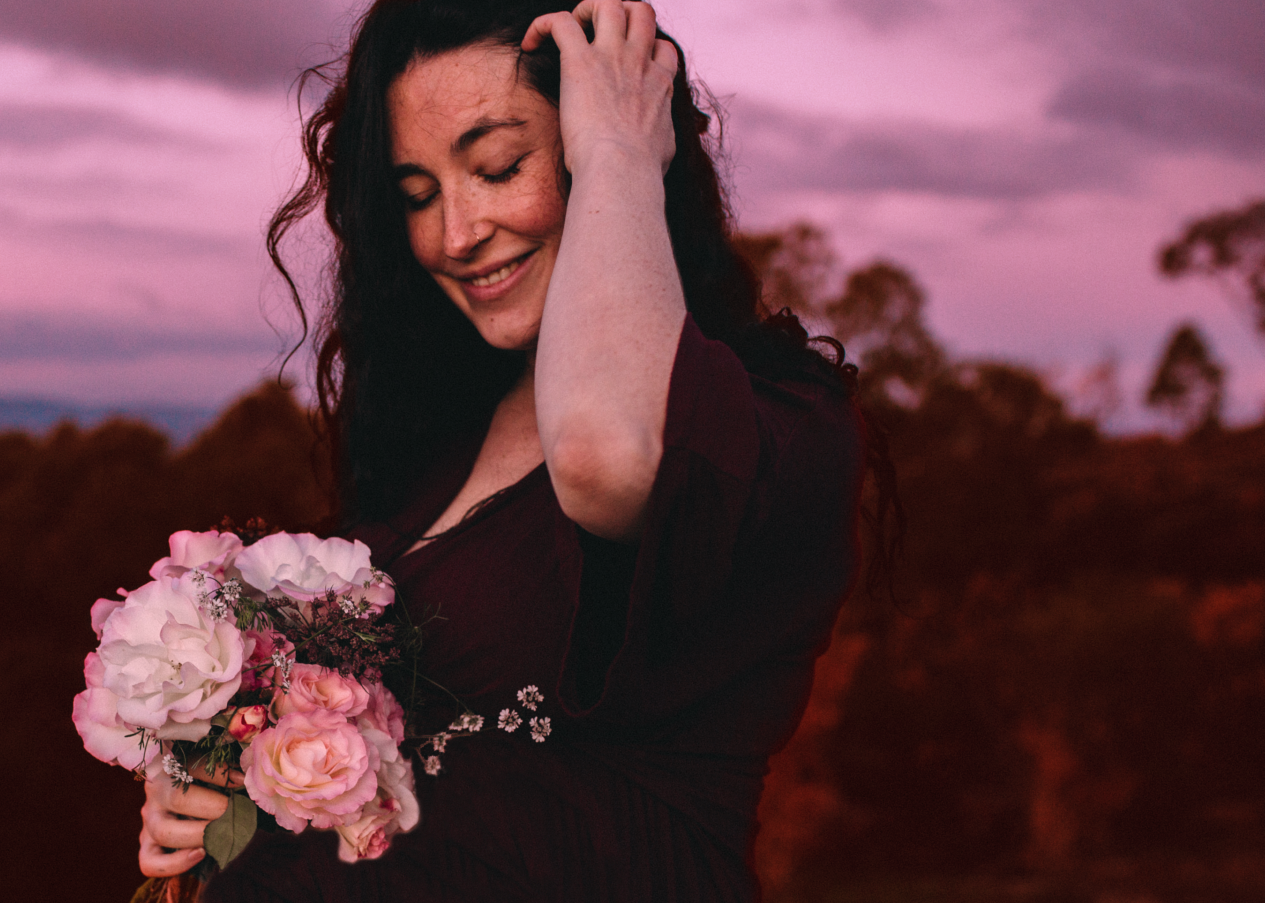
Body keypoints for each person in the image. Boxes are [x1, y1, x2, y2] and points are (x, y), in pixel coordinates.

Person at [136, 1, 889, 899]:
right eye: (419, 195)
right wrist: (231, 776)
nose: (455, 235)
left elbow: (610, 458)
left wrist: (618, 151)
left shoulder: (772, 426)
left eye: (499, 167)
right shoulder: (441, 436)